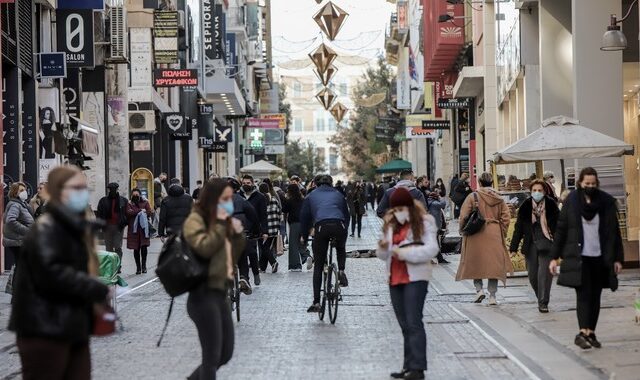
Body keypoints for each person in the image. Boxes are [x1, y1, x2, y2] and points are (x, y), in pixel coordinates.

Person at [9, 165, 110, 380]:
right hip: (44, 327)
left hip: (71, 324)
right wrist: (94, 287)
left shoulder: (70, 225)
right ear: (58, 190)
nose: (82, 192)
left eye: (83, 187)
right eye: (76, 187)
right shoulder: (46, 227)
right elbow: (51, 272)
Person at [549, 167, 623, 349]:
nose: (590, 186)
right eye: (586, 183)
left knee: (595, 296)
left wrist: (617, 259)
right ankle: (583, 331)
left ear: (597, 183)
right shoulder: (572, 202)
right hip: (578, 257)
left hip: (600, 257)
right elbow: (561, 229)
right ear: (580, 183)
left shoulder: (605, 202)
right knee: (583, 295)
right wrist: (554, 257)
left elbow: (614, 232)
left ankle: (591, 332)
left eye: (593, 183)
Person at [182, 179, 246, 379]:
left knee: (225, 354)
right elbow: (204, 248)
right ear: (213, 199)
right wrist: (221, 226)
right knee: (211, 358)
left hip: (221, 293)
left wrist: (237, 234)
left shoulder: (221, 220)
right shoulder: (195, 220)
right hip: (202, 295)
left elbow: (232, 256)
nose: (230, 202)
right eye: (225, 198)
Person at [376, 187, 439, 380]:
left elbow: (432, 249)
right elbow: (383, 254)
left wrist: (405, 254)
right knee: (404, 324)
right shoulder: (391, 224)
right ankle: (407, 365)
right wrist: (383, 248)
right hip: (395, 277)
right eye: (394, 209)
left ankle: (418, 368)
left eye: (401, 208)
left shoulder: (425, 222)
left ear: (410, 206)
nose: (397, 212)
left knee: (413, 321)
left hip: (416, 277)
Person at [455, 172, 512, 305]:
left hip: (475, 232)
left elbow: (463, 216)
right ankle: (492, 296)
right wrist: (501, 231)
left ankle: (479, 290)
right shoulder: (499, 198)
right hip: (494, 232)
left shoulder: (473, 196)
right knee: (494, 265)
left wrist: (462, 229)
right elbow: (506, 217)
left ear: (480, 183)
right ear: (492, 183)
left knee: (476, 263)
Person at [301, 175, 350, 313]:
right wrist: (345, 229)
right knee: (340, 247)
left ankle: (316, 302)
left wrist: (304, 237)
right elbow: (346, 215)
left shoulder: (310, 196)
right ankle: (341, 270)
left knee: (318, 267)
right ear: (331, 184)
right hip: (338, 225)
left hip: (321, 227)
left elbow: (304, 218)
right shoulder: (338, 194)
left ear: (316, 184)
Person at [509, 179, 560, 313]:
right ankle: (540, 297)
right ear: (530, 192)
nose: (537, 193)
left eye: (540, 190)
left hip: (547, 243)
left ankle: (543, 302)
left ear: (544, 191)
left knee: (544, 274)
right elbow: (518, 228)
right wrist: (513, 248)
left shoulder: (551, 205)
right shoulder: (525, 206)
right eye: (534, 190)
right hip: (530, 244)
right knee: (532, 276)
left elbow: (559, 227)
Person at [225, 177, 260, 294]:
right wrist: (255, 232)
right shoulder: (241, 200)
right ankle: (244, 277)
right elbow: (254, 216)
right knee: (242, 256)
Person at [3, 182, 35, 281]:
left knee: (21, 266)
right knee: (22, 266)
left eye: (24, 190)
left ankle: (17, 290)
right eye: (21, 190)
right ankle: (17, 290)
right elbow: (11, 220)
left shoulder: (21, 204)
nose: (24, 192)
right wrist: (27, 231)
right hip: (18, 241)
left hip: (20, 240)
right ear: (14, 192)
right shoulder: (15, 205)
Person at [96, 183, 129, 267]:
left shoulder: (123, 200)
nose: (113, 191)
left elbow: (127, 213)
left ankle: (118, 265)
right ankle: (111, 266)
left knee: (118, 247)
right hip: (107, 227)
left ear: (117, 189)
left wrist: (124, 223)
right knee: (109, 248)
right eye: (111, 189)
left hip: (118, 227)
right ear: (109, 190)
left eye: (115, 189)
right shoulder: (103, 200)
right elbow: (99, 214)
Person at [283, 184, 312, 271]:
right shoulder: (304, 200)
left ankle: (295, 265)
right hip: (304, 223)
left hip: (295, 223)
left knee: (293, 245)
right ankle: (306, 257)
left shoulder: (290, 200)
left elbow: (284, 210)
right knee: (301, 243)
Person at [126, 188, 153, 274]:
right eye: (134, 195)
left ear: (140, 195)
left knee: (144, 247)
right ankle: (138, 267)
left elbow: (150, 211)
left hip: (143, 229)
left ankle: (144, 266)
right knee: (136, 248)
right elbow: (128, 213)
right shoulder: (129, 203)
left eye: (137, 195)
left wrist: (143, 211)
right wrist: (140, 211)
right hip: (134, 230)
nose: (135, 196)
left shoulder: (145, 202)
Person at [258, 183, 280, 273]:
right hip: (274, 228)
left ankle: (273, 262)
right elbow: (279, 211)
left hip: (264, 228)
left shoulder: (260, 199)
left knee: (264, 247)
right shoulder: (274, 199)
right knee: (266, 247)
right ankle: (262, 267)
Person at [425, 191, 448, 264]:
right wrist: (440, 198)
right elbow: (443, 204)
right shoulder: (434, 203)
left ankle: (439, 258)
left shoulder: (430, 203)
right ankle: (439, 259)